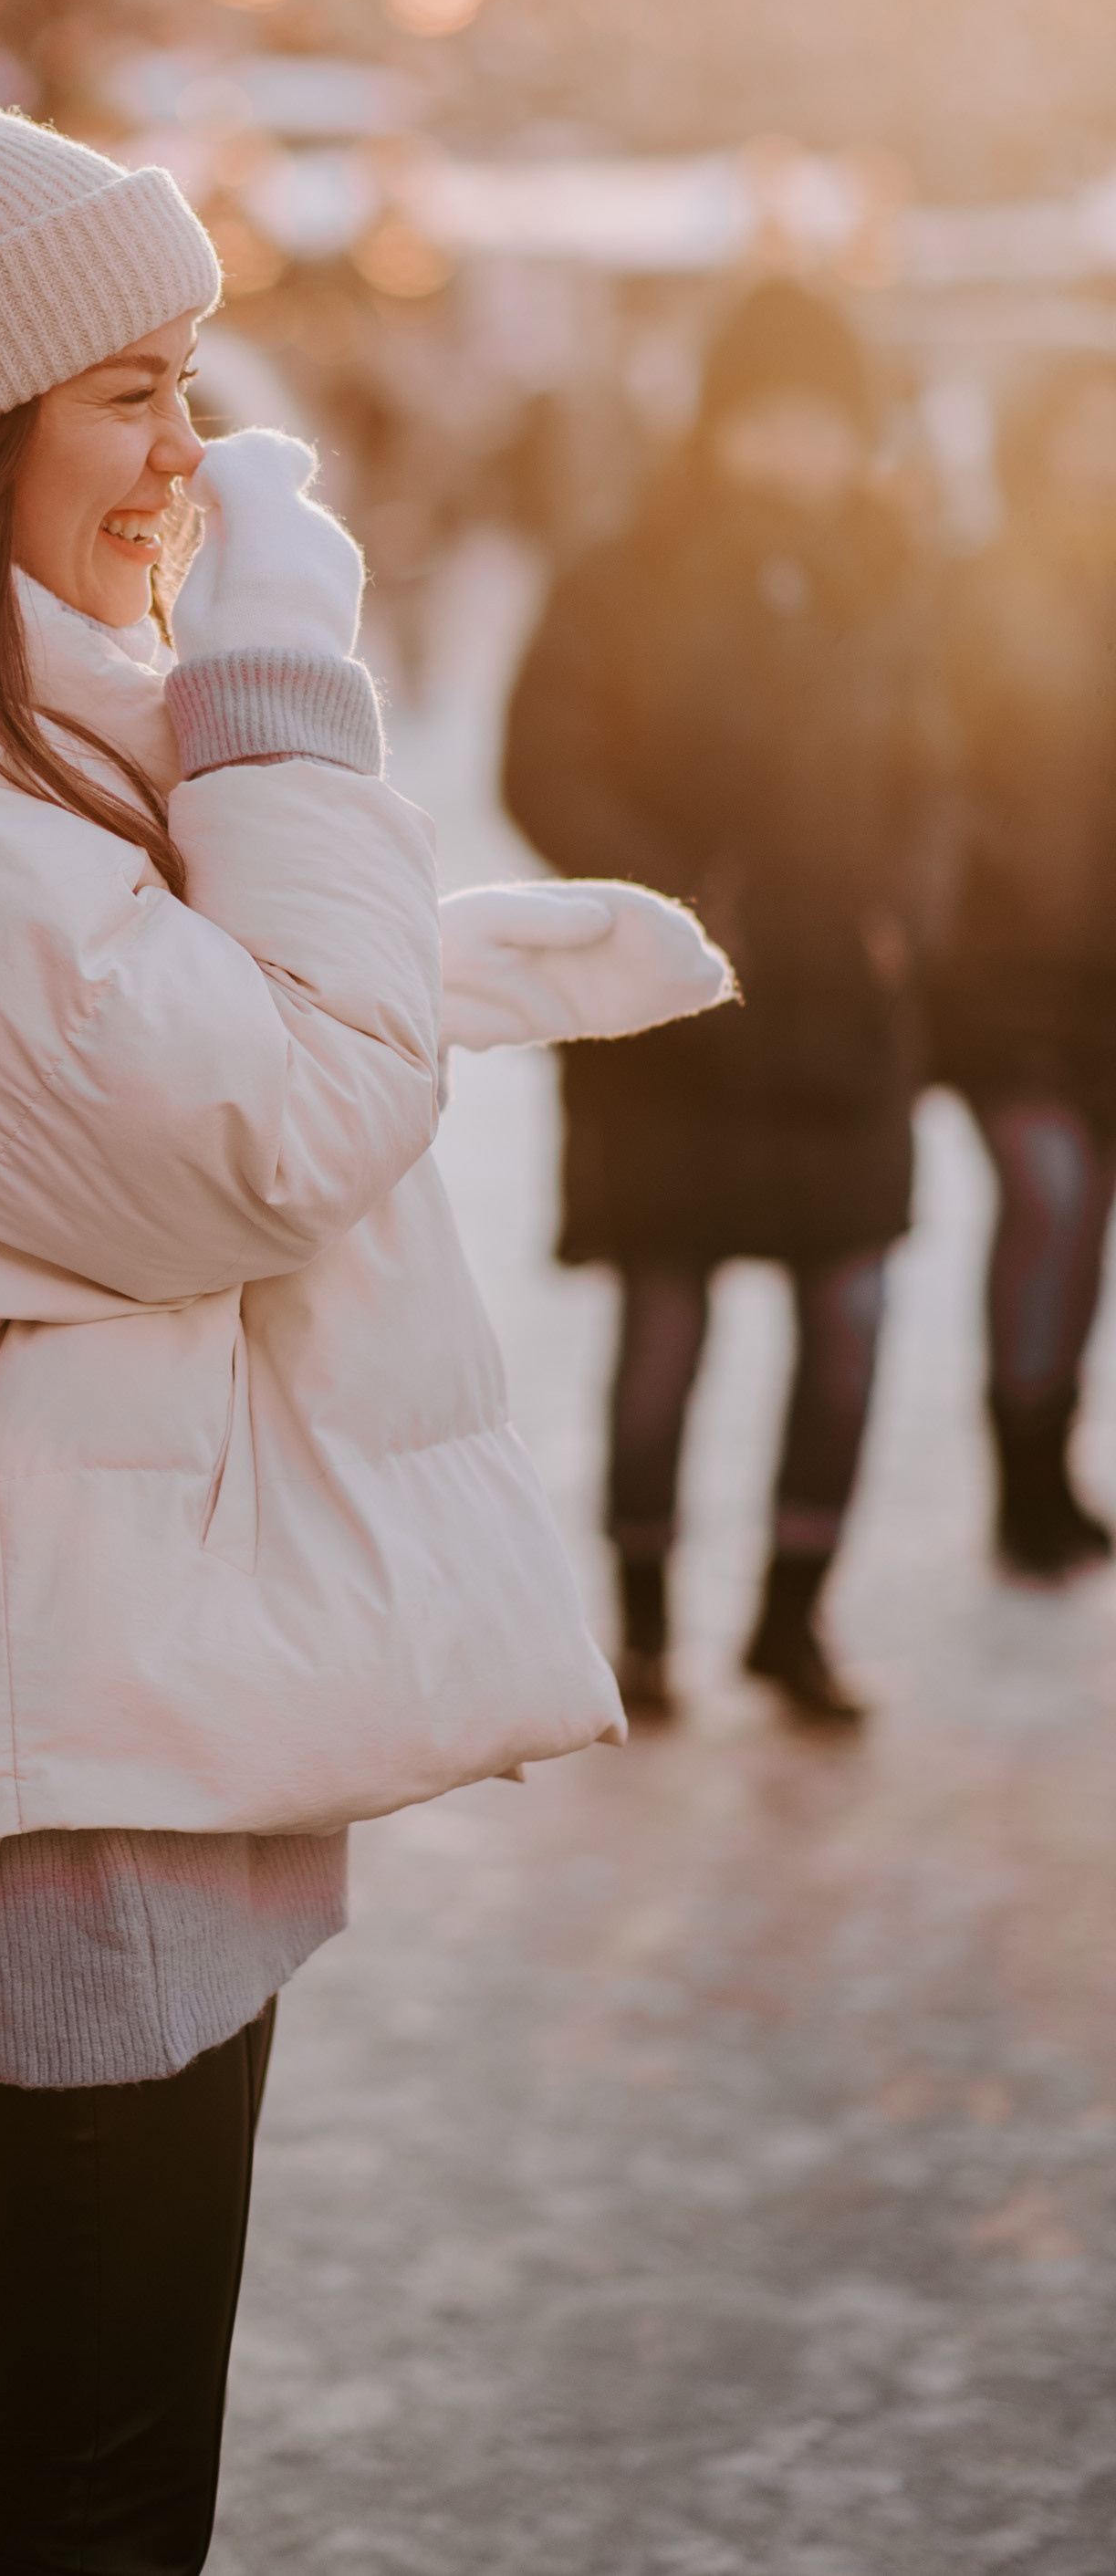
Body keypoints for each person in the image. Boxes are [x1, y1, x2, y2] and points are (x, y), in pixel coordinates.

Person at [0, 69, 720, 2576]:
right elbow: (274, 1115)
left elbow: (169, 1020)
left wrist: (469, 941)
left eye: (192, 379)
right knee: (90, 2493)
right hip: (53, 1711)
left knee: (103, 2470)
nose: (194, 447)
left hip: (101, 1669)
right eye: (134, 390)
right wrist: (284, 678)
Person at [503, 280, 946, 1731]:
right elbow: (546, 762)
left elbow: (946, 770)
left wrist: (903, 918)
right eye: (775, 421)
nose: (801, 453)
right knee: (664, 1329)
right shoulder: (622, 575)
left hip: (843, 1015)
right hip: (675, 1014)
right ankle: (641, 1632)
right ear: (722, 425)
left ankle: (793, 1626)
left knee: (852, 1322)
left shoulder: (895, 575)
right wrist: (679, 896)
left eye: (827, 424)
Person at [925, 359, 1116, 1581]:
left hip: (1108, 964)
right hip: (1007, 964)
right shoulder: (980, 590)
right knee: (1044, 1195)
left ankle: (1056, 1462)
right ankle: (1016, 1470)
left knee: (1085, 1216)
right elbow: (935, 770)